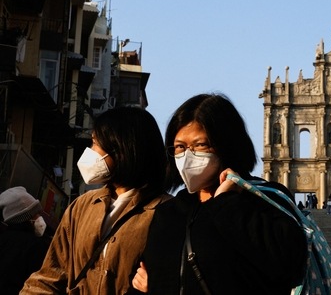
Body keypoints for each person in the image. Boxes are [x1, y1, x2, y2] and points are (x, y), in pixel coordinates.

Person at [131, 93, 307, 294]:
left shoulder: (265, 199)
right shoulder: (168, 213)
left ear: (227, 144)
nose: (188, 155)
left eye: (200, 145)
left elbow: (289, 264)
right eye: (180, 147)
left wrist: (226, 201)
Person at [21, 107, 171, 294]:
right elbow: (50, 276)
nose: (90, 152)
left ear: (121, 148)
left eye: (95, 143)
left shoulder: (168, 212)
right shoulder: (82, 206)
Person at [0, 186, 50, 295]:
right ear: (26, 219)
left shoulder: (3, 240)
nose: (39, 218)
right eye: (36, 214)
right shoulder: (37, 246)